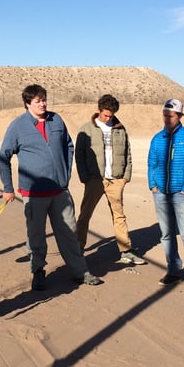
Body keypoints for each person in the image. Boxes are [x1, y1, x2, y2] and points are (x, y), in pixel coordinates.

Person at [0, 84, 102, 291]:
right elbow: (4, 156)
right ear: (27, 103)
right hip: (34, 193)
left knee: (70, 233)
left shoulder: (56, 120)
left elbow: (69, 145)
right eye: (37, 101)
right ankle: (38, 271)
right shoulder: (18, 126)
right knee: (36, 235)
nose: (43, 104)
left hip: (60, 191)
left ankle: (81, 271)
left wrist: (65, 172)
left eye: (44, 99)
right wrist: (7, 187)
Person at [75, 94, 145, 265]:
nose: (108, 118)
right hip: (94, 179)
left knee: (119, 216)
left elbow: (127, 153)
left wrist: (125, 177)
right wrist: (85, 177)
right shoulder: (86, 129)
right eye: (105, 115)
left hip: (116, 180)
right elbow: (79, 155)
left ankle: (126, 251)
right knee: (85, 215)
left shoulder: (120, 128)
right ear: (99, 110)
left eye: (111, 115)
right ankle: (77, 251)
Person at [149, 98, 184, 290]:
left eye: (170, 115)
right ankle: (173, 270)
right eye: (165, 115)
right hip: (161, 194)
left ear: (179, 116)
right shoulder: (157, 139)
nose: (167, 119)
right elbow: (152, 163)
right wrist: (153, 185)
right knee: (166, 234)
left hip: (180, 195)